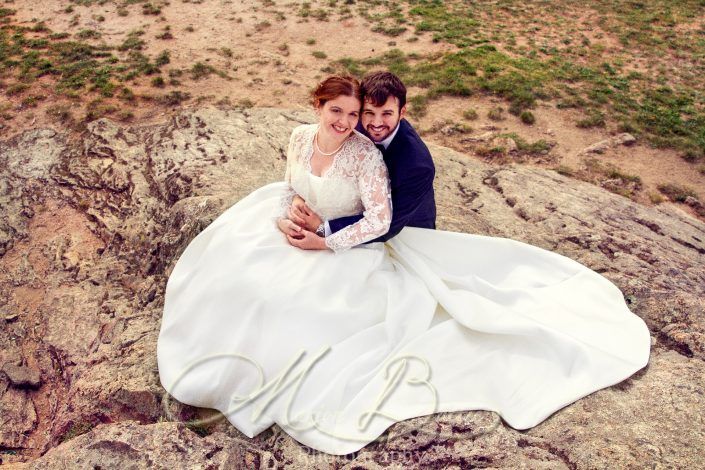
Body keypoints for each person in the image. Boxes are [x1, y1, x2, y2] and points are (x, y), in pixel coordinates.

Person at [157, 74, 651, 456]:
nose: (361, 124)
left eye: (374, 115)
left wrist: (324, 238)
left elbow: (385, 222)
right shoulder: (303, 137)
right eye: (351, 112)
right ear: (323, 107)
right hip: (318, 220)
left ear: (400, 112)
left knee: (297, 304)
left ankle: (258, 378)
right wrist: (296, 214)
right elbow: (293, 180)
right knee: (235, 266)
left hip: (385, 233)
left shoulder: (407, 160)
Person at [283, 71, 435, 246]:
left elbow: (387, 225)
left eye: (387, 113)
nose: (376, 123)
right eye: (369, 112)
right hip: (345, 213)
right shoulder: (352, 121)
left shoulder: (418, 165)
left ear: (402, 113)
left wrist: (323, 231)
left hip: (403, 230)